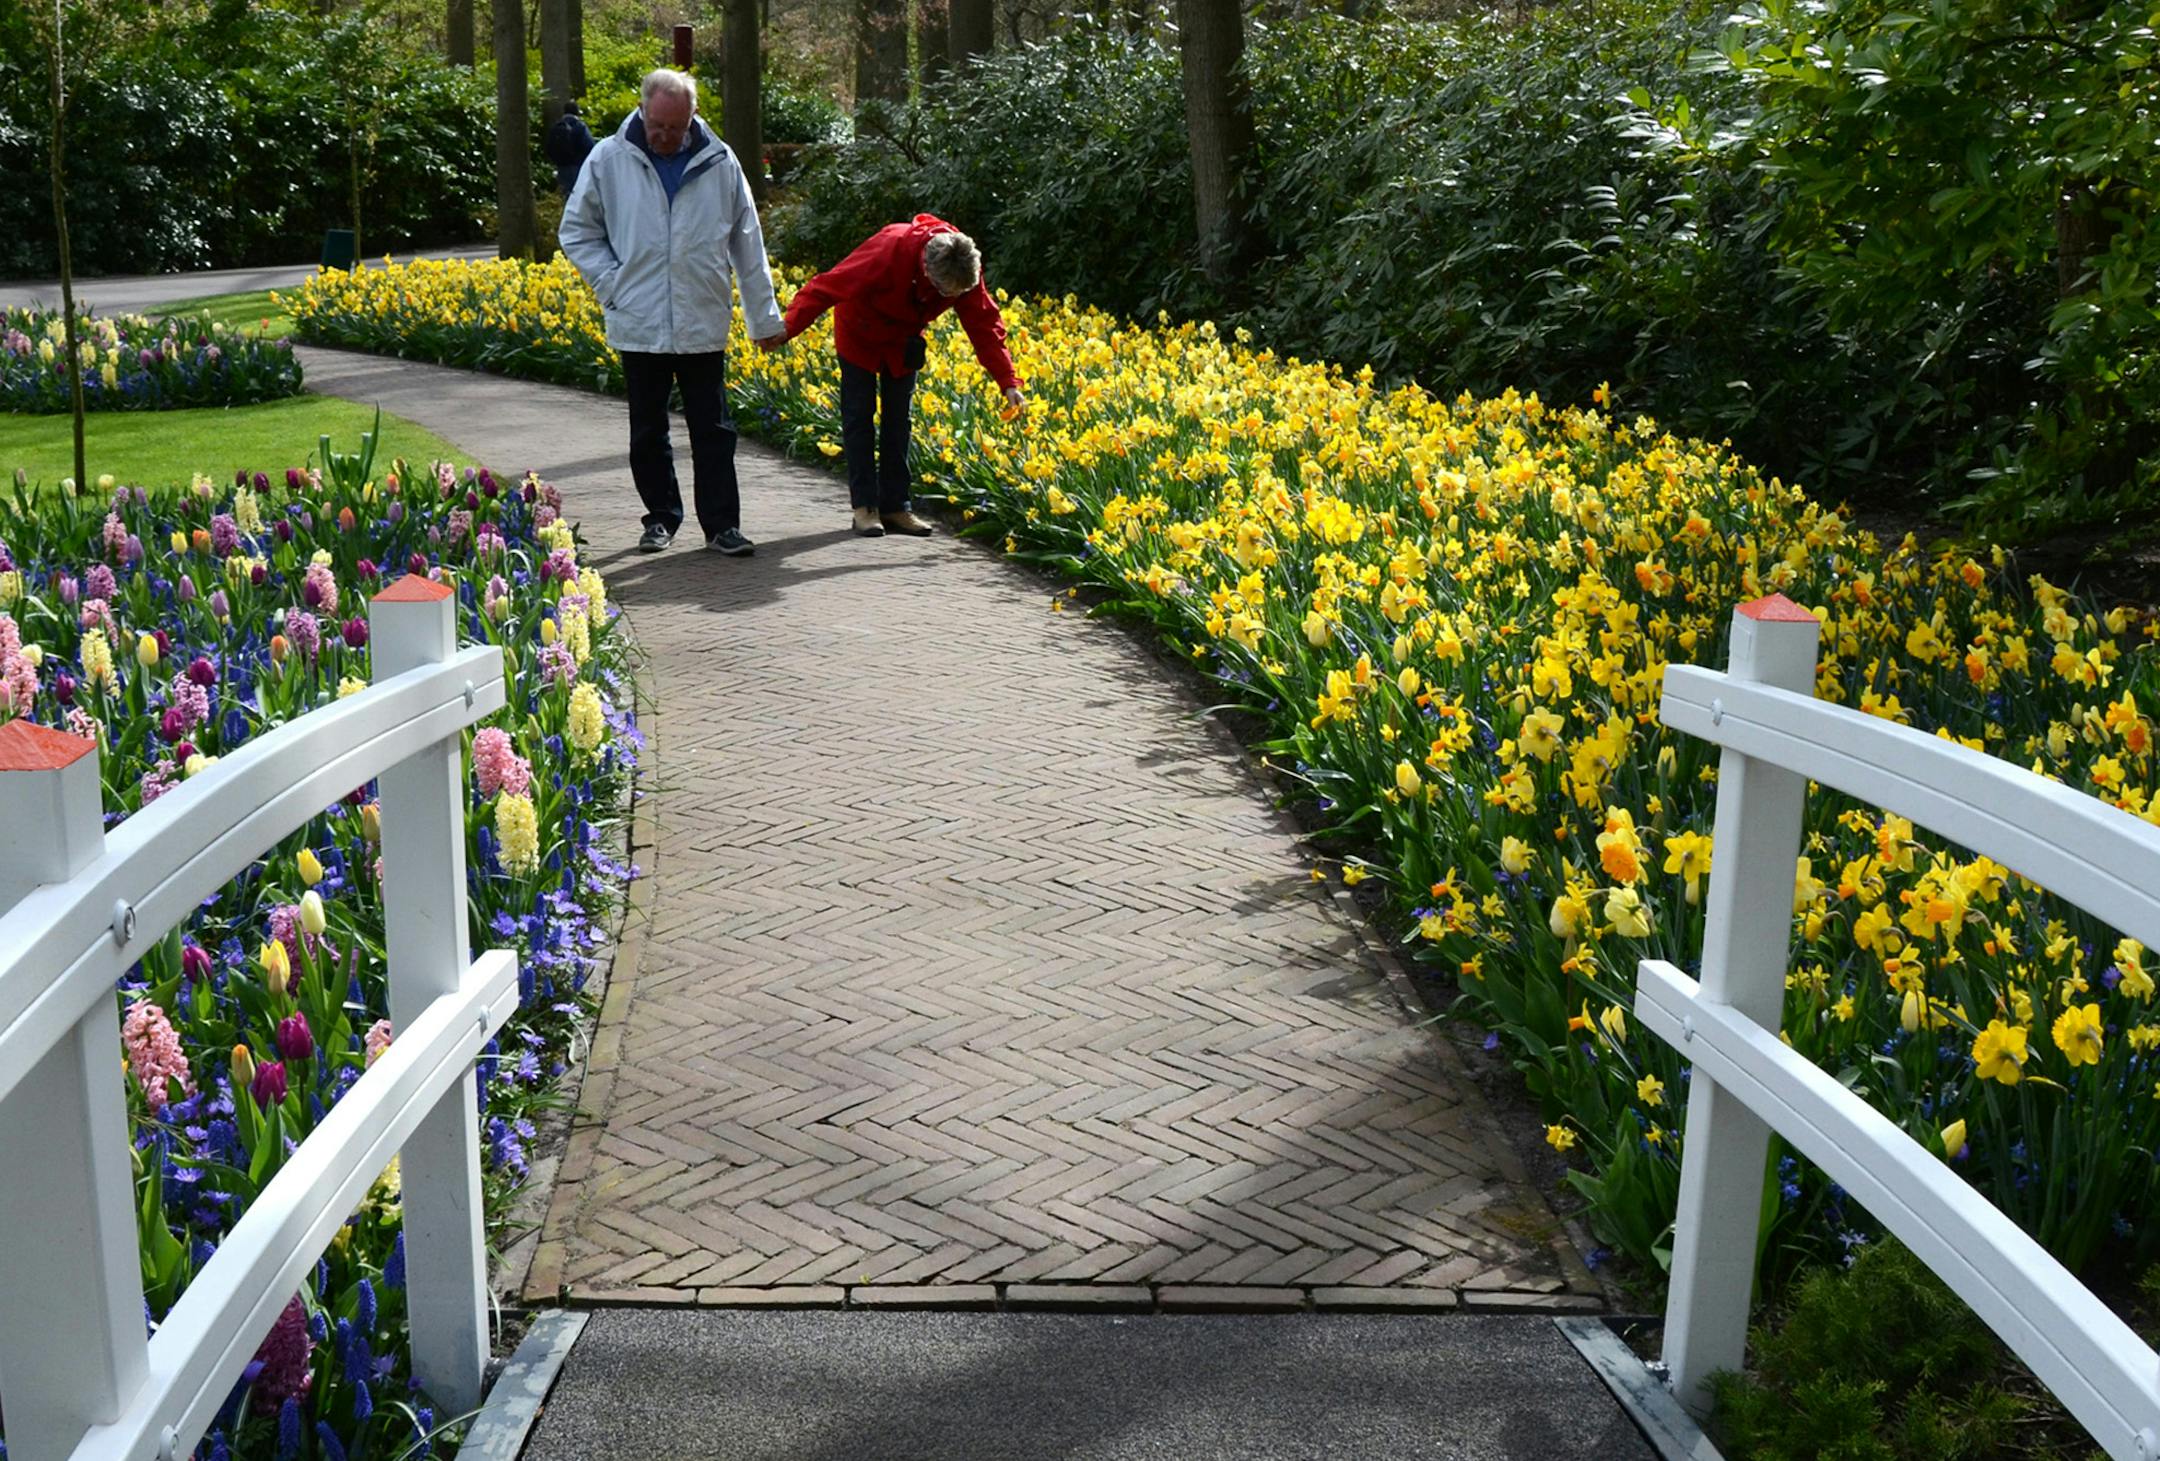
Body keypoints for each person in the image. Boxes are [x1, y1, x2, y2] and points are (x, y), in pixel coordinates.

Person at [557, 70, 787, 556]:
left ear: (693, 118)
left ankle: (722, 525)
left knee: (714, 430)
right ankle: (660, 518)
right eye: (656, 124)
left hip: (701, 317)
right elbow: (576, 230)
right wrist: (610, 282)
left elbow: (748, 242)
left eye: (674, 127)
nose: (663, 136)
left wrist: (764, 318)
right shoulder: (608, 158)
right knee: (647, 430)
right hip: (638, 319)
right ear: (642, 110)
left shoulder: (721, 163)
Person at [781, 214, 1025, 538]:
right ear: (926, 270)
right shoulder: (889, 249)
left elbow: (984, 325)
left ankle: (896, 506)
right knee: (859, 418)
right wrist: (785, 331)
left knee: (899, 421)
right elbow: (826, 287)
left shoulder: (962, 266)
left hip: (903, 342)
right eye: (942, 292)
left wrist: (1008, 382)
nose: (947, 298)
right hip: (860, 332)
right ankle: (865, 508)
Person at [542, 102, 596, 198]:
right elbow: (590, 146)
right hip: (577, 166)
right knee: (577, 195)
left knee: (565, 194)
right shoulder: (580, 127)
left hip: (561, 167)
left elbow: (548, 147)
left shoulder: (557, 126)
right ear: (577, 112)